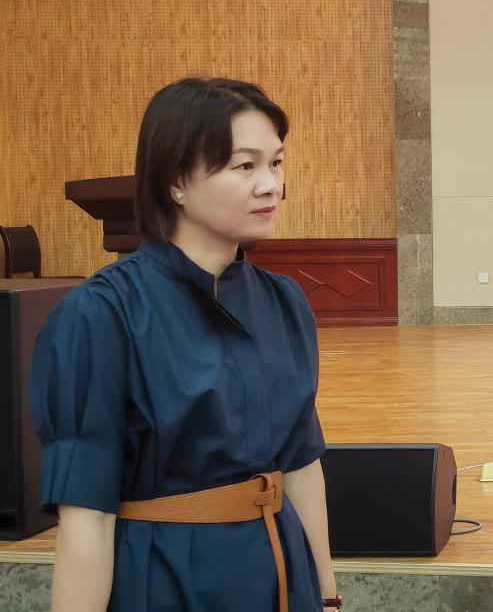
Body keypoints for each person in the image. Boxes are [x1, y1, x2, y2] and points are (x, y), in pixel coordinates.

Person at [28, 77, 340, 612]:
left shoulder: (285, 302)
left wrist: (328, 596)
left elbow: (301, 467)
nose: (271, 185)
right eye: (245, 166)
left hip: (280, 574)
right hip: (168, 579)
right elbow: (88, 515)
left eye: (276, 163)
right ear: (175, 180)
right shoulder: (100, 314)